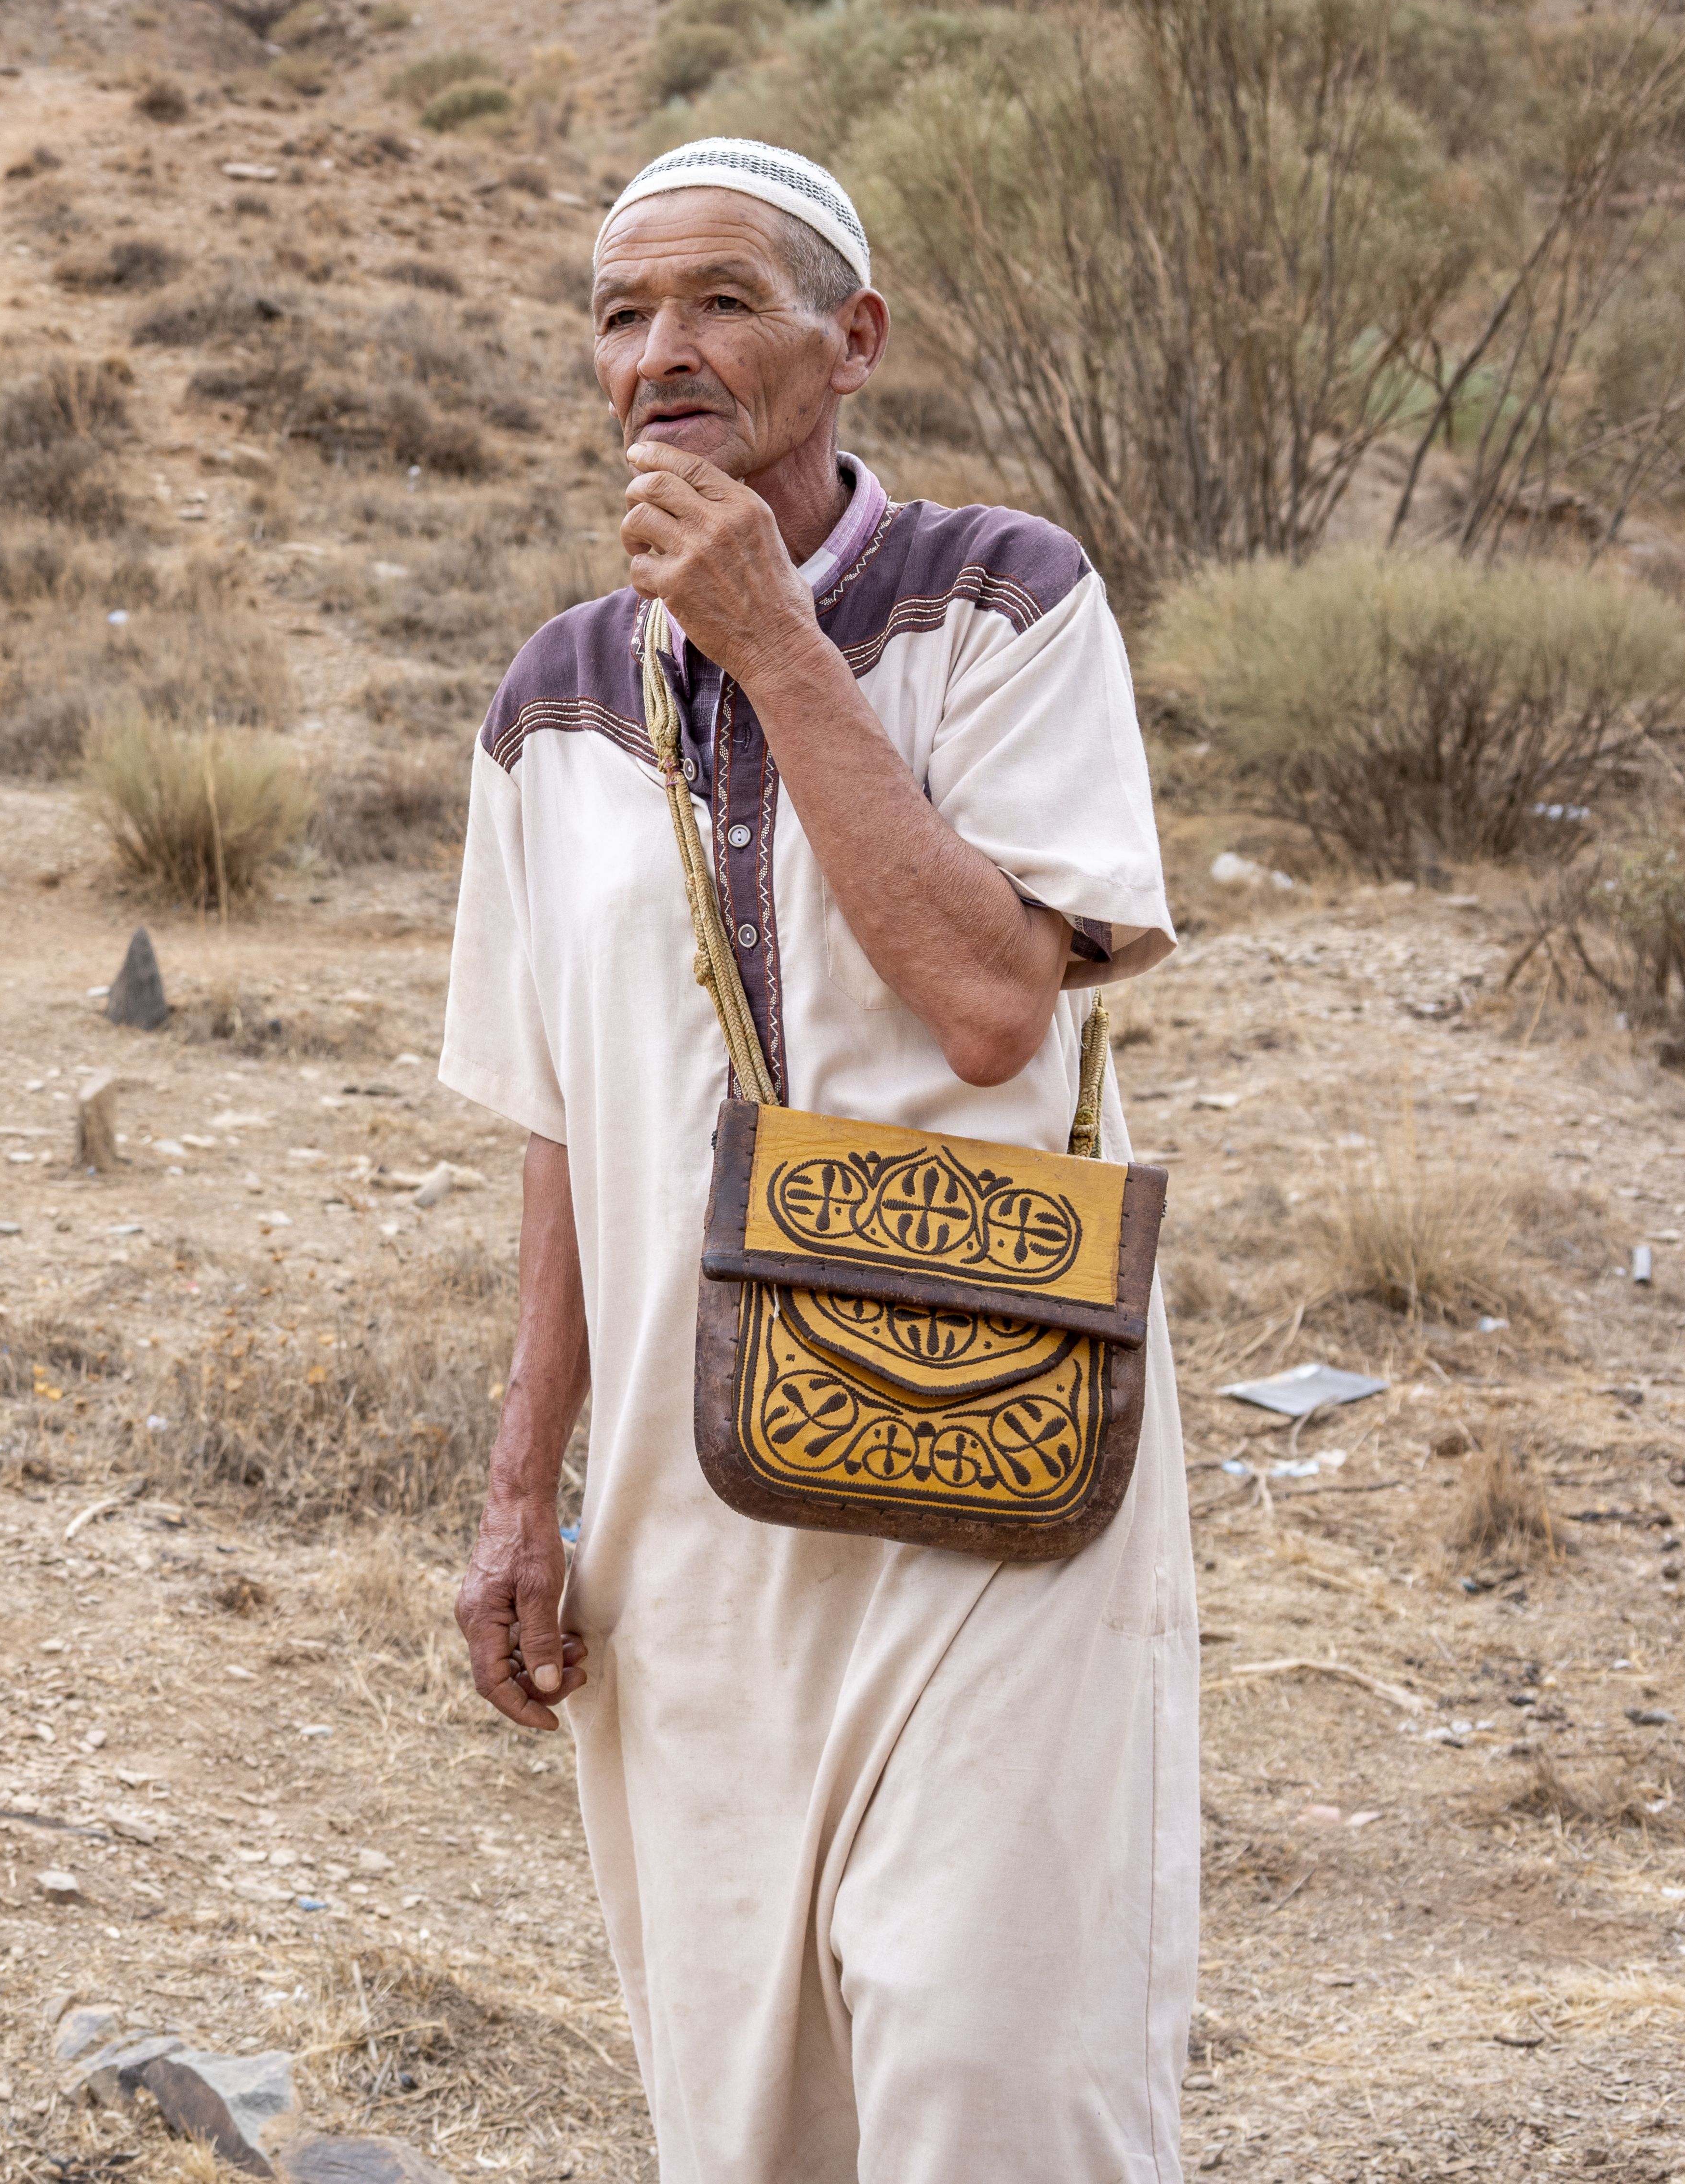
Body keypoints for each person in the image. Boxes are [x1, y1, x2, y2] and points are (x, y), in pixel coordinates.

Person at [438, 136, 1194, 2184]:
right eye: (619, 315)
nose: (659, 353)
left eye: (719, 302)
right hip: (690, 1494)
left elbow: (987, 1005)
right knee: (746, 2097)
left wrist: (776, 643)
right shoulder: (549, 709)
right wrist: (525, 1485)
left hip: (998, 1442)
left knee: (990, 2069)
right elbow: (559, 1121)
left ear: (849, 341)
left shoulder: (999, 603)